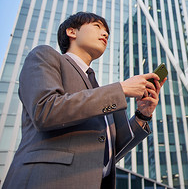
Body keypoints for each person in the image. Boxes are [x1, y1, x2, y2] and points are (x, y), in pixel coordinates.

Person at [3, 12, 166, 189]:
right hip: (45, 181)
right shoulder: (44, 56)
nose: (105, 34)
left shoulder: (100, 93)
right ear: (71, 31)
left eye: (107, 32)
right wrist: (121, 89)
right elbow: (45, 110)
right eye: (97, 26)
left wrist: (143, 115)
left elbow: (107, 155)